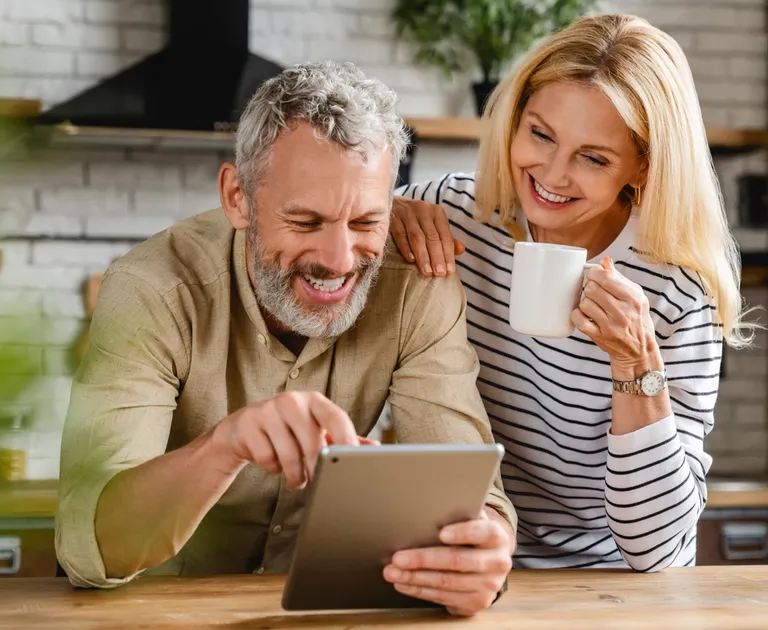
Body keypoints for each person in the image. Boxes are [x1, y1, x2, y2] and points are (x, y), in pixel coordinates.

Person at [55, 61, 516, 617]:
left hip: (324, 614)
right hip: (160, 613)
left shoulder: (418, 284)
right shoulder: (152, 288)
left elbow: (469, 491)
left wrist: (483, 555)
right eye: (304, 222)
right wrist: (224, 445)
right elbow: (88, 547)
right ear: (238, 198)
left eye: (367, 222)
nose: (339, 260)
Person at [390, 14, 755, 572]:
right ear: (515, 120)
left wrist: (635, 361)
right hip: (465, 557)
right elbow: (328, 225)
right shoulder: (455, 216)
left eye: (593, 157)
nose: (553, 175)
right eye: (540, 134)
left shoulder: (679, 289)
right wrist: (381, 213)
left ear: (643, 167)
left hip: (606, 583)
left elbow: (656, 550)